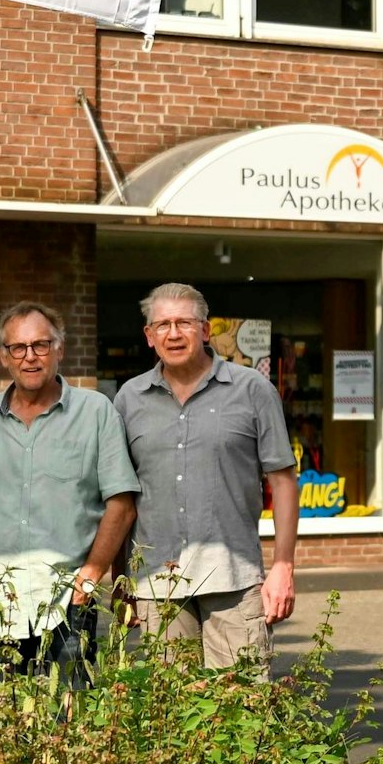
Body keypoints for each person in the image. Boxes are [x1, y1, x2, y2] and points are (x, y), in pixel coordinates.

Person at [0, 301, 138, 681]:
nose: (30, 357)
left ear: (59, 349)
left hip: (68, 603)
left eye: (41, 345)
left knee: (70, 727)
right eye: (18, 348)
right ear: (4, 356)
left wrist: (92, 574)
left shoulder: (96, 413)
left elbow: (122, 504)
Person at [115, 282, 298, 670]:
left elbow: (282, 483)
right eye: (162, 325)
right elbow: (121, 497)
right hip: (156, 586)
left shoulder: (253, 390)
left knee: (241, 710)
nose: (174, 333)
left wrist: (283, 567)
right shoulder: (128, 400)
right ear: (149, 336)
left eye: (184, 322)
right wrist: (120, 581)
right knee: (170, 714)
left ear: (206, 329)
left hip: (234, 579)